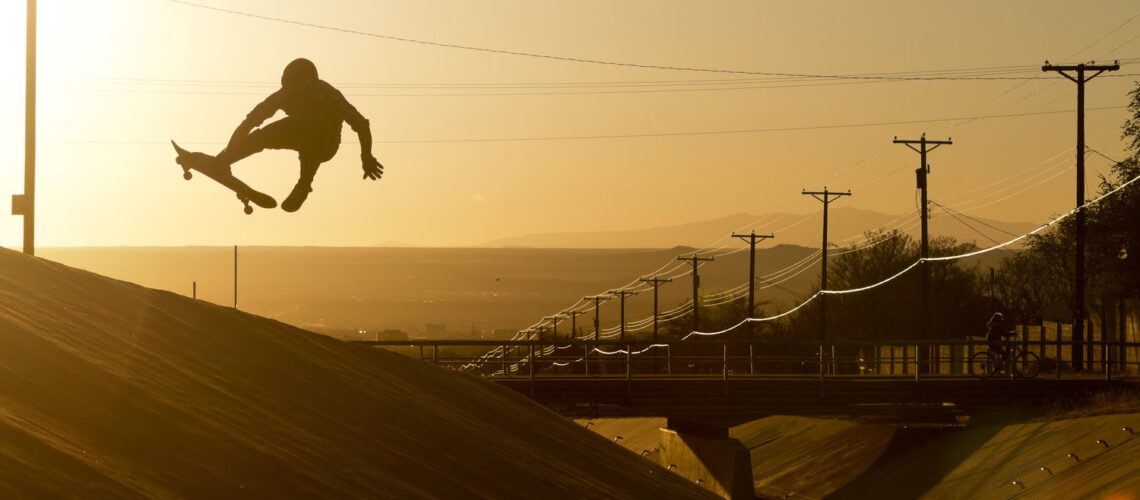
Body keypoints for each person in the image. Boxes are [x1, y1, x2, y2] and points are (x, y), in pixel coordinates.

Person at [213, 58, 383, 212]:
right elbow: (250, 122)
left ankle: (303, 185)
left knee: (311, 140)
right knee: (262, 136)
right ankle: (225, 159)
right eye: (291, 90)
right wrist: (227, 155)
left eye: (300, 89)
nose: (295, 93)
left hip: (327, 143)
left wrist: (366, 155)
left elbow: (361, 124)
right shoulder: (285, 94)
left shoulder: (328, 93)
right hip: (299, 131)